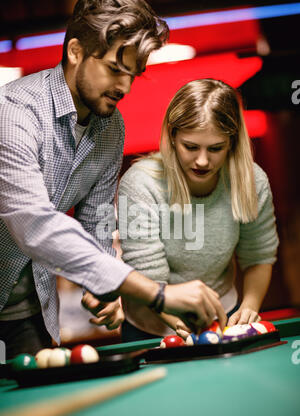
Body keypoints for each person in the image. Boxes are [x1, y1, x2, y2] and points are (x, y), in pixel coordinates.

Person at [0, 1, 227, 359]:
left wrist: (103, 285)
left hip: (30, 314)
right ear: (76, 51)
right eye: (114, 69)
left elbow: (96, 225)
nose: (125, 87)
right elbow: (34, 224)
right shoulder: (14, 111)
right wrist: (154, 292)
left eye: (133, 74)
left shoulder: (111, 128)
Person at [118, 78, 279, 342]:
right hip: (151, 326)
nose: (203, 160)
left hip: (224, 316)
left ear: (233, 142)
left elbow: (259, 256)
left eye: (216, 148)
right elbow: (149, 280)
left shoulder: (252, 180)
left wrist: (249, 307)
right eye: (191, 147)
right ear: (172, 136)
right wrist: (185, 333)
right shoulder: (140, 184)